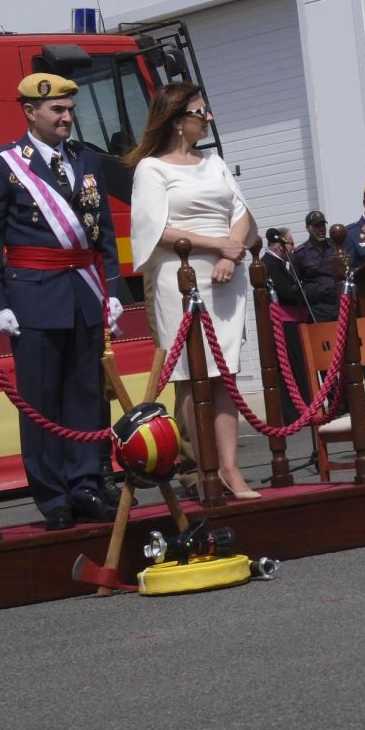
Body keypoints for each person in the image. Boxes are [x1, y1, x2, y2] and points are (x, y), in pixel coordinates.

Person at [0, 73, 126, 529]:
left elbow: (106, 234)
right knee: (41, 403)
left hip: (83, 289)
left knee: (84, 397)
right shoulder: (2, 165)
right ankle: (52, 496)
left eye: (70, 109)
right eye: (57, 110)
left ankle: (85, 486)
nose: (66, 117)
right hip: (33, 294)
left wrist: (114, 291)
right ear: (30, 112)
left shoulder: (88, 159)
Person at [127, 83, 261, 498]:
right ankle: (204, 470)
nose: (208, 119)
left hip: (226, 275)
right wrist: (214, 245)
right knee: (192, 376)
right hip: (181, 278)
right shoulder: (152, 169)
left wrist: (231, 254)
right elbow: (155, 228)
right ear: (177, 119)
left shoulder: (215, 163)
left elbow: (242, 215)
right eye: (200, 112)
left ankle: (231, 469)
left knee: (226, 374)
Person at [260, 227, 314, 405]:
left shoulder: (277, 264)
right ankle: (298, 407)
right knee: (293, 367)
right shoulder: (270, 264)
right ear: (279, 246)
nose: (293, 247)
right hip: (285, 322)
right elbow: (286, 293)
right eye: (290, 243)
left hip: (292, 320)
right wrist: (303, 289)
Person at [290, 209, 340, 322]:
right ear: (308, 228)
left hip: (340, 304)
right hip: (317, 310)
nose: (321, 229)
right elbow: (294, 285)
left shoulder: (336, 246)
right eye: (317, 226)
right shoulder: (300, 254)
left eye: (322, 225)